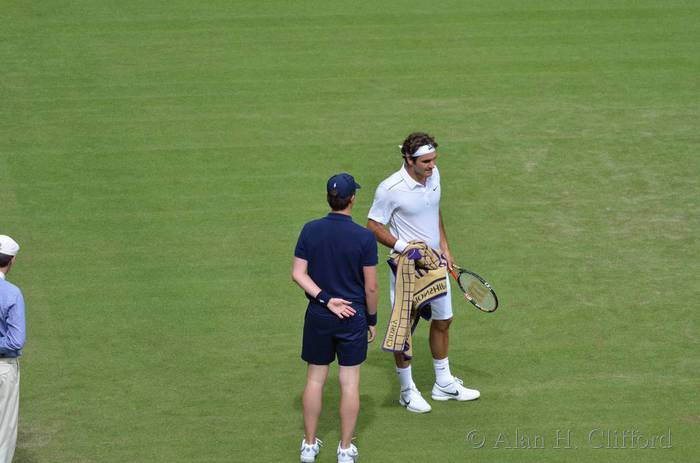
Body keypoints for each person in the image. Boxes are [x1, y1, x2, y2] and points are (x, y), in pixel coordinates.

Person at [367, 132, 480, 414]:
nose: (432, 166)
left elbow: (434, 210)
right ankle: (407, 391)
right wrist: (405, 247)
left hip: (435, 264)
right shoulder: (390, 188)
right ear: (409, 160)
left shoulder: (434, 176)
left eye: (434, 160)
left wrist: (445, 247)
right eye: (426, 162)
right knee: (402, 331)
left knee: (444, 319)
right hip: (407, 269)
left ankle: (443, 383)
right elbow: (373, 225)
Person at [292, 173, 378, 463]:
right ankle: (344, 450)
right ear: (352, 198)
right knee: (350, 383)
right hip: (352, 316)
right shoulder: (364, 237)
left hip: (319, 313)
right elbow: (371, 286)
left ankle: (308, 445)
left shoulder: (310, 230)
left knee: (315, 380)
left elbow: (298, 274)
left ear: (329, 198)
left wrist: (326, 300)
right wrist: (372, 318)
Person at [0, 235, 25, 462]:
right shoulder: (11, 293)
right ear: (12, 261)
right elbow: (16, 341)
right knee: (3, 432)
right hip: (4, 369)